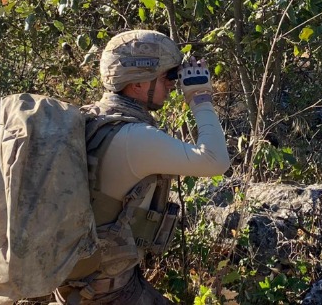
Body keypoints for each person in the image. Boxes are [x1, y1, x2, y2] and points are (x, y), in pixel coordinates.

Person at [53, 29, 230, 304]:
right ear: (135, 84)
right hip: (107, 291)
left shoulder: (91, 118)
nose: (173, 84)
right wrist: (201, 99)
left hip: (83, 279)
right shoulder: (134, 138)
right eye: (166, 77)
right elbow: (216, 160)